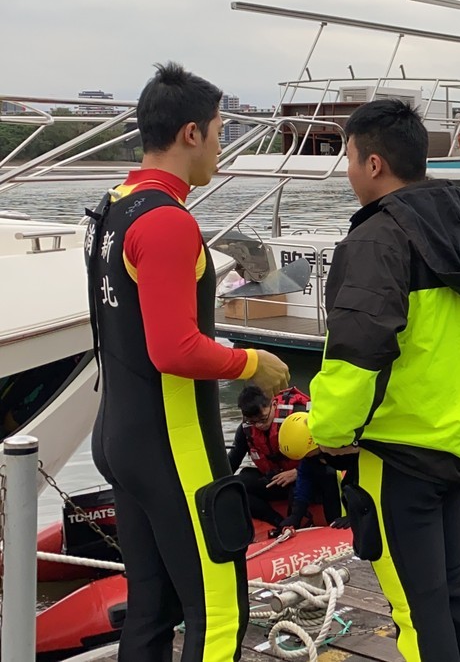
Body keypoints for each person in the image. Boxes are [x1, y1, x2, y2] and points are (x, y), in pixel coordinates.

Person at [85, 62, 290, 662]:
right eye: (220, 132)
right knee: (221, 612)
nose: (222, 148)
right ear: (191, 134)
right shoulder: (168, 223)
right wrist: (251, 363)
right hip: (173, 448)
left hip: (120, 436)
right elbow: (173, 349)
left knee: (151, 607)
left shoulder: (114, 207)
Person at [306, 99, 460, 662]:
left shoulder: (377, 240)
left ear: (373, 164)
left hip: (400, 452)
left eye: (349, 158)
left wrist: (330, 431)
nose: (349, 172)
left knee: (417, 608)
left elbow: (356, 353)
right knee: (453, 584)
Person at [228, 385, 299, 529]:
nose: (259, 425)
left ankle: (297, 522)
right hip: (275, 480)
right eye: (253, 422)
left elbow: (324, 455)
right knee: (238, 485)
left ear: (274, 404)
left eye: (263, 419)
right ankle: (277, 521)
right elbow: (232, 461)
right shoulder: (246, 429)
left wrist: (297, 472)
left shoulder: (298, 418)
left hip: (303, 477)